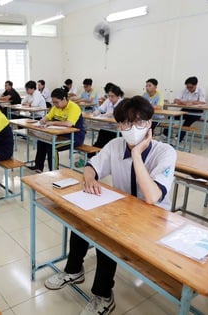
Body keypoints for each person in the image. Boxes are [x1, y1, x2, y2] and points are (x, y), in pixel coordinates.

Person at [44, 96, 176, 315]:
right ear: (119, 125)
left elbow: (152, 197)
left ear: (150, 123)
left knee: (107, 239)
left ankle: (103, 295)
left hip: (155, 220)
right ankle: (74, 270)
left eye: (140, 122)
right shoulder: (115, 144)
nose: (133, 129)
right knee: (83, 220)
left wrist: (136, 154)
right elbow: (91, 166)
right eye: (126, 123)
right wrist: (90, 178)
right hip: (124, 209)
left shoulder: (165, 152)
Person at [28, 88, 86, 173]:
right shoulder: (56, 107)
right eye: (53, 102)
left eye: (56, 102)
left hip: (75, 137)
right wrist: (43, 120)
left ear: (64, 99)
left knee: (52, 146)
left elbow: (69, 123)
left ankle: (54, 172)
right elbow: (47, 117)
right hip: (61, 134)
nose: (55, 104)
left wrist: (51, 123)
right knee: (42, 141)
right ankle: (38, 166)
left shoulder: (74, 107)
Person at [164, 76, 206, 142]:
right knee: (171, 117)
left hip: (196, 113)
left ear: (196, 85)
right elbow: (176, 99)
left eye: (191, 87)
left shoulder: (201, 90)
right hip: (185, 111)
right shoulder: (185, 90)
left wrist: (192, 102)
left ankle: (177, 139)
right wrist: (183, 102)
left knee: (186, 124)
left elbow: (202, 102)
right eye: (187, 87)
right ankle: (165, 135)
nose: (189, 89)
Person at [89, 85, 124, 154]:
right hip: (108, 126)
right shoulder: (108, 101)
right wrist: (96, 112)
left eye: (112, 96)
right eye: (109, 96)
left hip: (118, 128)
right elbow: (100, 109)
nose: (110, 98)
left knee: (107, 138)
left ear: (118, 96)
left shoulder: (122, 103)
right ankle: (95, 153)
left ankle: (101, 153)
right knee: (102, 133)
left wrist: (110, 114)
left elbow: (120, 116)